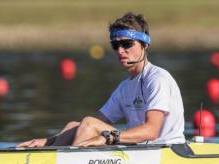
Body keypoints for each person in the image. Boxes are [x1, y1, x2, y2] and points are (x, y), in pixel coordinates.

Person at [17, 12, 185, 148]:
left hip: (165, 151)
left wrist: (107, 138)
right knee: (75, 125)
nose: (120, 50)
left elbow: (151, 131)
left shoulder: (158, 79)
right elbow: (94, 122)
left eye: (127, 44)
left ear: (145, 45)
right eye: (115, 45)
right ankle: (49, 155)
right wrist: (48, 141)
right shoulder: (124, 87)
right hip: (141, 150)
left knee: (89, 124)